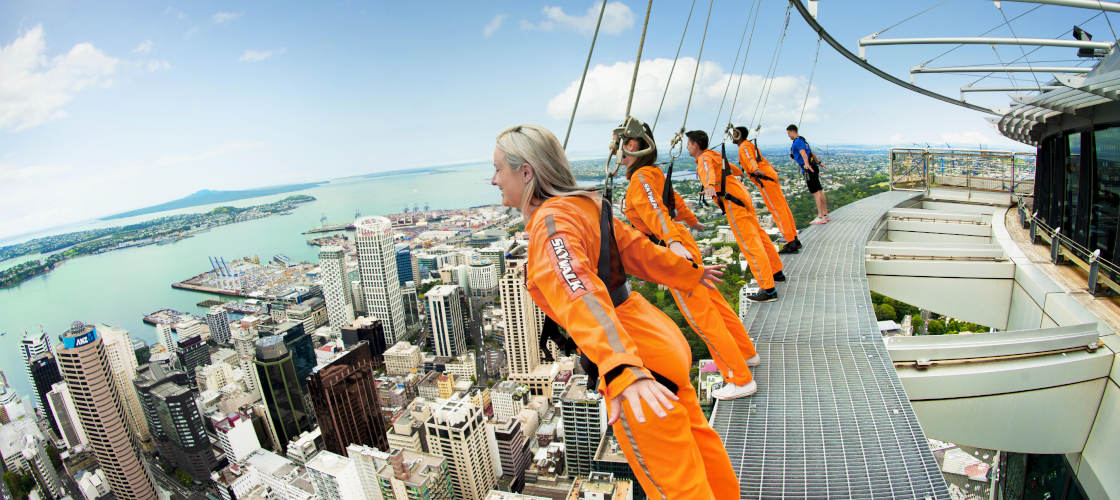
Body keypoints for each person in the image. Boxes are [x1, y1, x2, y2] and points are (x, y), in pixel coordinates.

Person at [491, 124, 740, 499]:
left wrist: (622, 367)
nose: (494, 180)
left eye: (498, 169)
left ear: (526, 172)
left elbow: (581, 292)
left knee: (676, 487)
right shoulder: (587, 204)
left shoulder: (551, 223)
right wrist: (690, 273)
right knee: (701, 450)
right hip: (656, 339)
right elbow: (639, 250)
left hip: (637, 359)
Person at [620, 122, 759, 400]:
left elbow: (656, 210)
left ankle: (739, 378)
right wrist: (691, 224)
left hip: (673, 249)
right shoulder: (653, 173)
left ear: (632, 146)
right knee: (716, 306)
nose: (617, 153)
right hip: (682, 240)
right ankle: (746, 353)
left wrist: (671, 241)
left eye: (619, 146)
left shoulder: (641, 179)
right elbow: (674, 201)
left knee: (701, 318)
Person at [688, 130, 783, 303]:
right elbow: (735, 170)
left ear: (695, 145)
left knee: (750, 244)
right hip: (741, 195)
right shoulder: (714, 155)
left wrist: (710, 185)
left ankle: (768, 289)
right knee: (760, 236)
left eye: (688, 144)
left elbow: (708, 171)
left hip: (733, 202)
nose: (687, 147)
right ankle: (777, 272)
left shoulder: (704, 159)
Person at [733, 126, 802, 254]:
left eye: (735, 133)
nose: (733, 136)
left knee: (777, 210)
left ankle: (791, 242)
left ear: (740, 135)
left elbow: (750, 159)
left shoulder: (744, 147)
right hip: (769, 176)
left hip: (764, 179)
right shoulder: (749, 145)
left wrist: (755, 170)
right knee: (783, 208)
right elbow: (760, 159)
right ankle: (794, 239)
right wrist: (771, 168)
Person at [787, 124, 829, 224]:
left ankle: (820, 216)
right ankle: (825, 214)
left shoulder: (797, 142)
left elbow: (803, 154)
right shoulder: (803, 140)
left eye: (788, 133)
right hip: (813, 166)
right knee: (819, 190)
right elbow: (811, 153)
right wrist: (818, 162)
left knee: (815, 192)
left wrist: (806, 165)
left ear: (792, 131)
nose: (788, 136)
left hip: (808, 168)